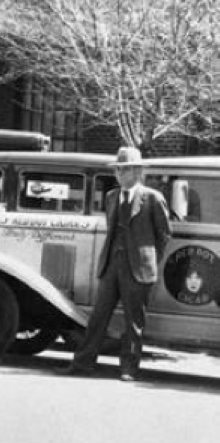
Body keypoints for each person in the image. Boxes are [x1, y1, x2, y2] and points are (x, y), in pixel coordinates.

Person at [60, 146, 171, 382]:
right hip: (111, 266)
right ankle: (83, 363)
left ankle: (128, 369)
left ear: (137, 172)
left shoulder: (152, 198)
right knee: (98, 317)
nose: (119, 175)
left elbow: (164, 235)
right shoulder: (111, 197)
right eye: (118, 170)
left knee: (134, 321)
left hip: (138, 269)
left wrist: (148, 260)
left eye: (125, 170)